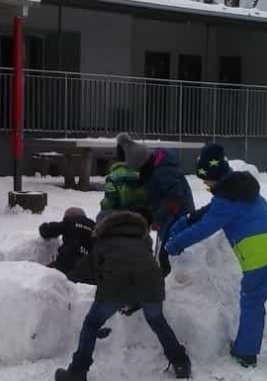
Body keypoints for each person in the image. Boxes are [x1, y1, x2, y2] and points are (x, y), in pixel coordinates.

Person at [164, 143, 267, 368]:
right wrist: (191, 217)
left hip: (258, 256)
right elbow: (213, 211)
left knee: (252, 302)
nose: (204, 184)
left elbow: (204, 228)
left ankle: (245, 353)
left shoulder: (226, 201)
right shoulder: (240, 188)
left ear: (213, 175)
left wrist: (174, 245)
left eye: (205, 179)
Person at [55, 210, 191, 381]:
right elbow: (141, 266)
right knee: (158, 322)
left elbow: (92, 269)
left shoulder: (102, 242)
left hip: (115, 288)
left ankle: (77, 372)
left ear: (105, 227)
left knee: (91, 324)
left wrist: (67, 277)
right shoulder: (143, 240)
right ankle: (181, 363)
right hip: (151, 286)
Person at [115, 133, 195, 277]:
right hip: (169, 213)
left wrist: (157, 218)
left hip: (177, 215)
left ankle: (172, 282)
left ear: (142, 164)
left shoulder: (163, 171)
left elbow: (173, 197)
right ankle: (166, 278)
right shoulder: (154, 165)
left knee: (169, 250)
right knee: (167, 248)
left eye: (137, 169)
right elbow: (155, 191)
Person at [39, 207, 96, 284]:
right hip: (88, 265)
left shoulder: (69, 222)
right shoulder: (94, 226)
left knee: (44, 275)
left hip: (67, 260)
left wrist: (44, 227)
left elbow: (47, 231)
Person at [98, 144, 148, 216]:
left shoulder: (113, 177)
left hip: (120, 220)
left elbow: (108, 203)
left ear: (118, 156)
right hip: (144, 220)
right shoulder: (147, 174)